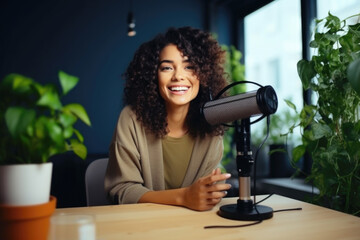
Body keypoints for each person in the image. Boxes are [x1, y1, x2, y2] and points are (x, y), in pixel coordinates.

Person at [105, 26, 231, 211]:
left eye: (189, 66)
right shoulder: (131, 119)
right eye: (167, 67)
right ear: (153, 76)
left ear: (204, 75)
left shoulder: (211, 125)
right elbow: (121, 189)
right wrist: (184, 197)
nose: (178, 76)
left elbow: (204, 195)